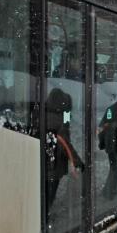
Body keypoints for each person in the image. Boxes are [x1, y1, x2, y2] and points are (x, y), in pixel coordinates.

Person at [45, 88, 85, 216]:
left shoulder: (41, 113)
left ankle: (42, 215)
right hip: (54, 164)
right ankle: (44, 219)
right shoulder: (62, 118)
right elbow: (65, 143)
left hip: (44, 161)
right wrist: (77, 161)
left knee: (43, 192)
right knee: (49, 195)